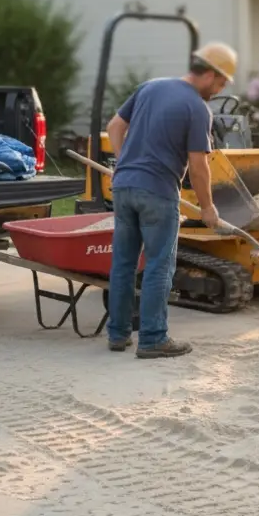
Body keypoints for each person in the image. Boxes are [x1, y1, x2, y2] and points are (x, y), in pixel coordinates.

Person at [103, 42, 236, 358]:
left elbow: (114, 126)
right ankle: (152, 338)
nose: (218, 91)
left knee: (122, 263)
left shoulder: (150, 88)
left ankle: (118, 335)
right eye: (221, 83)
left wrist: (123, 162)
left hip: (123, 188)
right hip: (158, 194)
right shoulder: (196, 108)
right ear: (210, 74)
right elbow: (199, 164)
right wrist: (207, 207)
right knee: (159, 266)